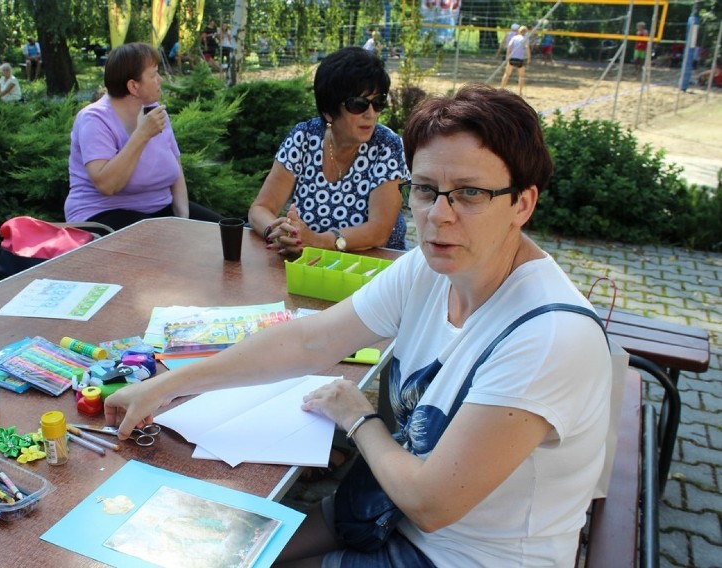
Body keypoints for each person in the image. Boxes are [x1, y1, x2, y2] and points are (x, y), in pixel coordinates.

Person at [103, 83, 612, 566]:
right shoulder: (431, 269)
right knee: (209, 554)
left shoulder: (547, 337)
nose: (438, 215)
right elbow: (309, 341)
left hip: (453, 553)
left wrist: (358, 418)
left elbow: (431, 504)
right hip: (384, 513)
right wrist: (164, 388)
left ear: (522, 203)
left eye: (470, 193)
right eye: (426, 190)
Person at [248, 47, 408, 256]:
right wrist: (277, 231)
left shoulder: (387, 146)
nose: (371, 114)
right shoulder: (304, 137)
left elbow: (378, 231)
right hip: (310, 264)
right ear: (328, 111)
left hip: (376, 271)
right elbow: (259, 209)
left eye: (378, 103)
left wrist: (319, 241)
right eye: (358, 104)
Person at [64, 42, 223, 231]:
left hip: (158, 209)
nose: (160, 80)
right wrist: (142, 135)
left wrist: (184, 219)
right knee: (160, 239)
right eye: (154, 74)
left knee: (229, 231)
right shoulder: (94, 119)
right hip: (101, 214)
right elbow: (107, 185)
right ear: (133, 86)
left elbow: (176, 172)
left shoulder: (155, 112)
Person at [500, 25, 531, 96]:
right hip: (520, 59)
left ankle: (501, 89)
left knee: (507, 74)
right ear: (525, 32)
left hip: (512, 58)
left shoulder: (514, 38)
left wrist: (508, 56)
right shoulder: (525, 39)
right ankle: (520, 92)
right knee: (521, 76)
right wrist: (529, 58)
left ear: (519, 31)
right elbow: (527, 49)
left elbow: (509, 46)